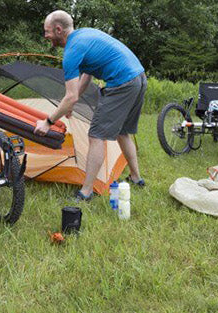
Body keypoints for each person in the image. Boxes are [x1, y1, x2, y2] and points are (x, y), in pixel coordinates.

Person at [33, 10, 147, 201]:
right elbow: (87, 75)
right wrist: (72, 101)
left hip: (122, 83)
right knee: (123, 131)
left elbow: (70, 96)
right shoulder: (84, 35)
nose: (46, 36)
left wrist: (48, 121)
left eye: (47, 31)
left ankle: (86, 192)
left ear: (58, 29)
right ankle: (136, 178)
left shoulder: (71, 51)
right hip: (139, 78)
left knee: (96, 135)